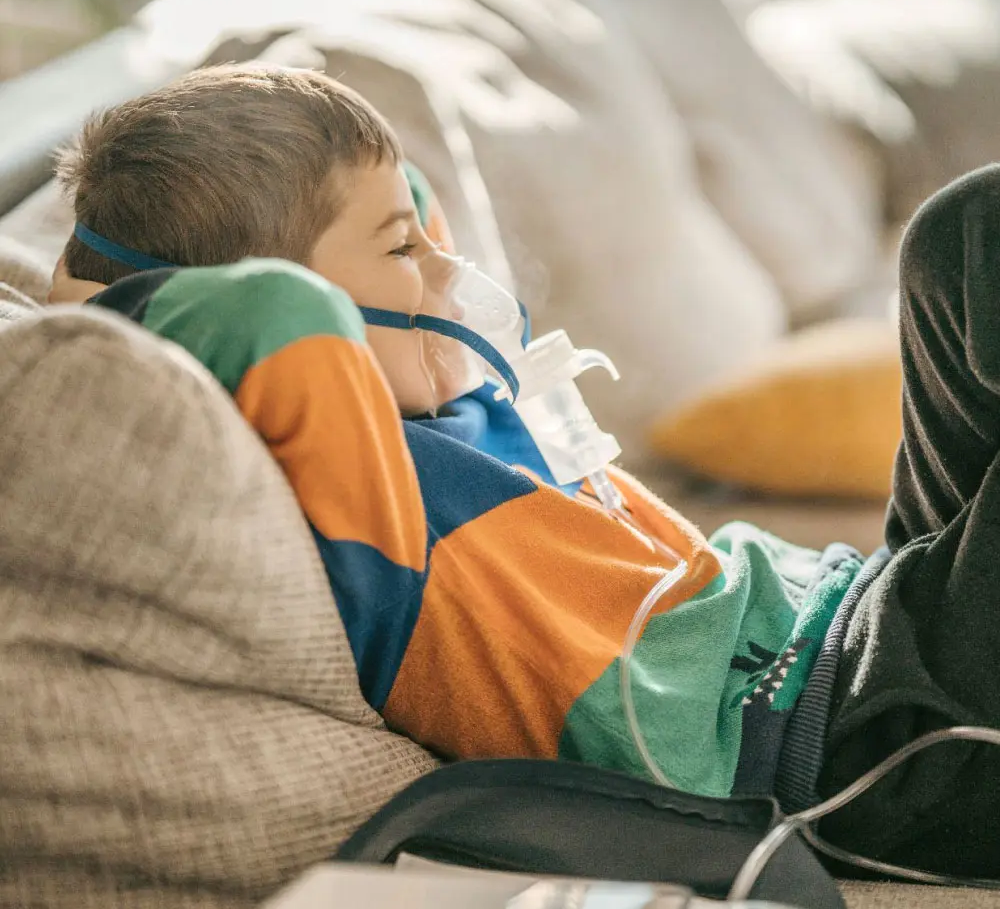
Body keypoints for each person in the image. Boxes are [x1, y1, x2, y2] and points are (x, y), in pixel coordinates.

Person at [50, 64, 999, 876]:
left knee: (963, 231)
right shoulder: (371, 494)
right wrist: (95, 292)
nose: (447, 273)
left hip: (862, 613)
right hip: (863, 743)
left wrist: (396, 221)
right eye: (402, 247)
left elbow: (338, 259)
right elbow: (272, 310)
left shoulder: (454, 410)